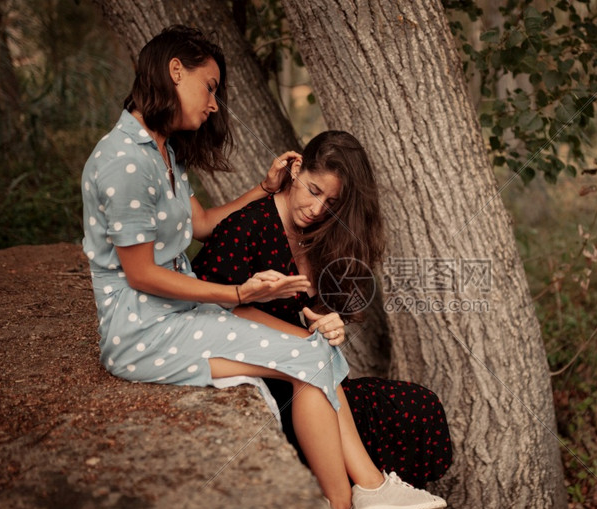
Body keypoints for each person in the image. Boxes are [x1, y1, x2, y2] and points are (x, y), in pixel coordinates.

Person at [80, 25, 445, 509]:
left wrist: (262, 190)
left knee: (312, 353)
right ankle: (356, 499)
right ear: (174, 71)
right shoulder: (124, 161)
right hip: (144, 329)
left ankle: (354, 501)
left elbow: (201, 223)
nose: (212, 104)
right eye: (209, 86)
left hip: (175, 316)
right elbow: (140, 275)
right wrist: (236, 296)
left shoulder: (162, 152)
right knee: (307, 358)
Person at [192, 131, 453, 490]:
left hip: (312, 374)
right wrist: (300, 337)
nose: (317, 210)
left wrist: (327, 324)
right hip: (277, 380)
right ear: (296, 169)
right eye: (314, 191)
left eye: (331, 203)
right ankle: (365, 495)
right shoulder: (249, 225)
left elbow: (312, 316)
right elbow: (206, 307)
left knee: (420, 409)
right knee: (376, 418)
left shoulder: (318, 236)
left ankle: (374, 500)